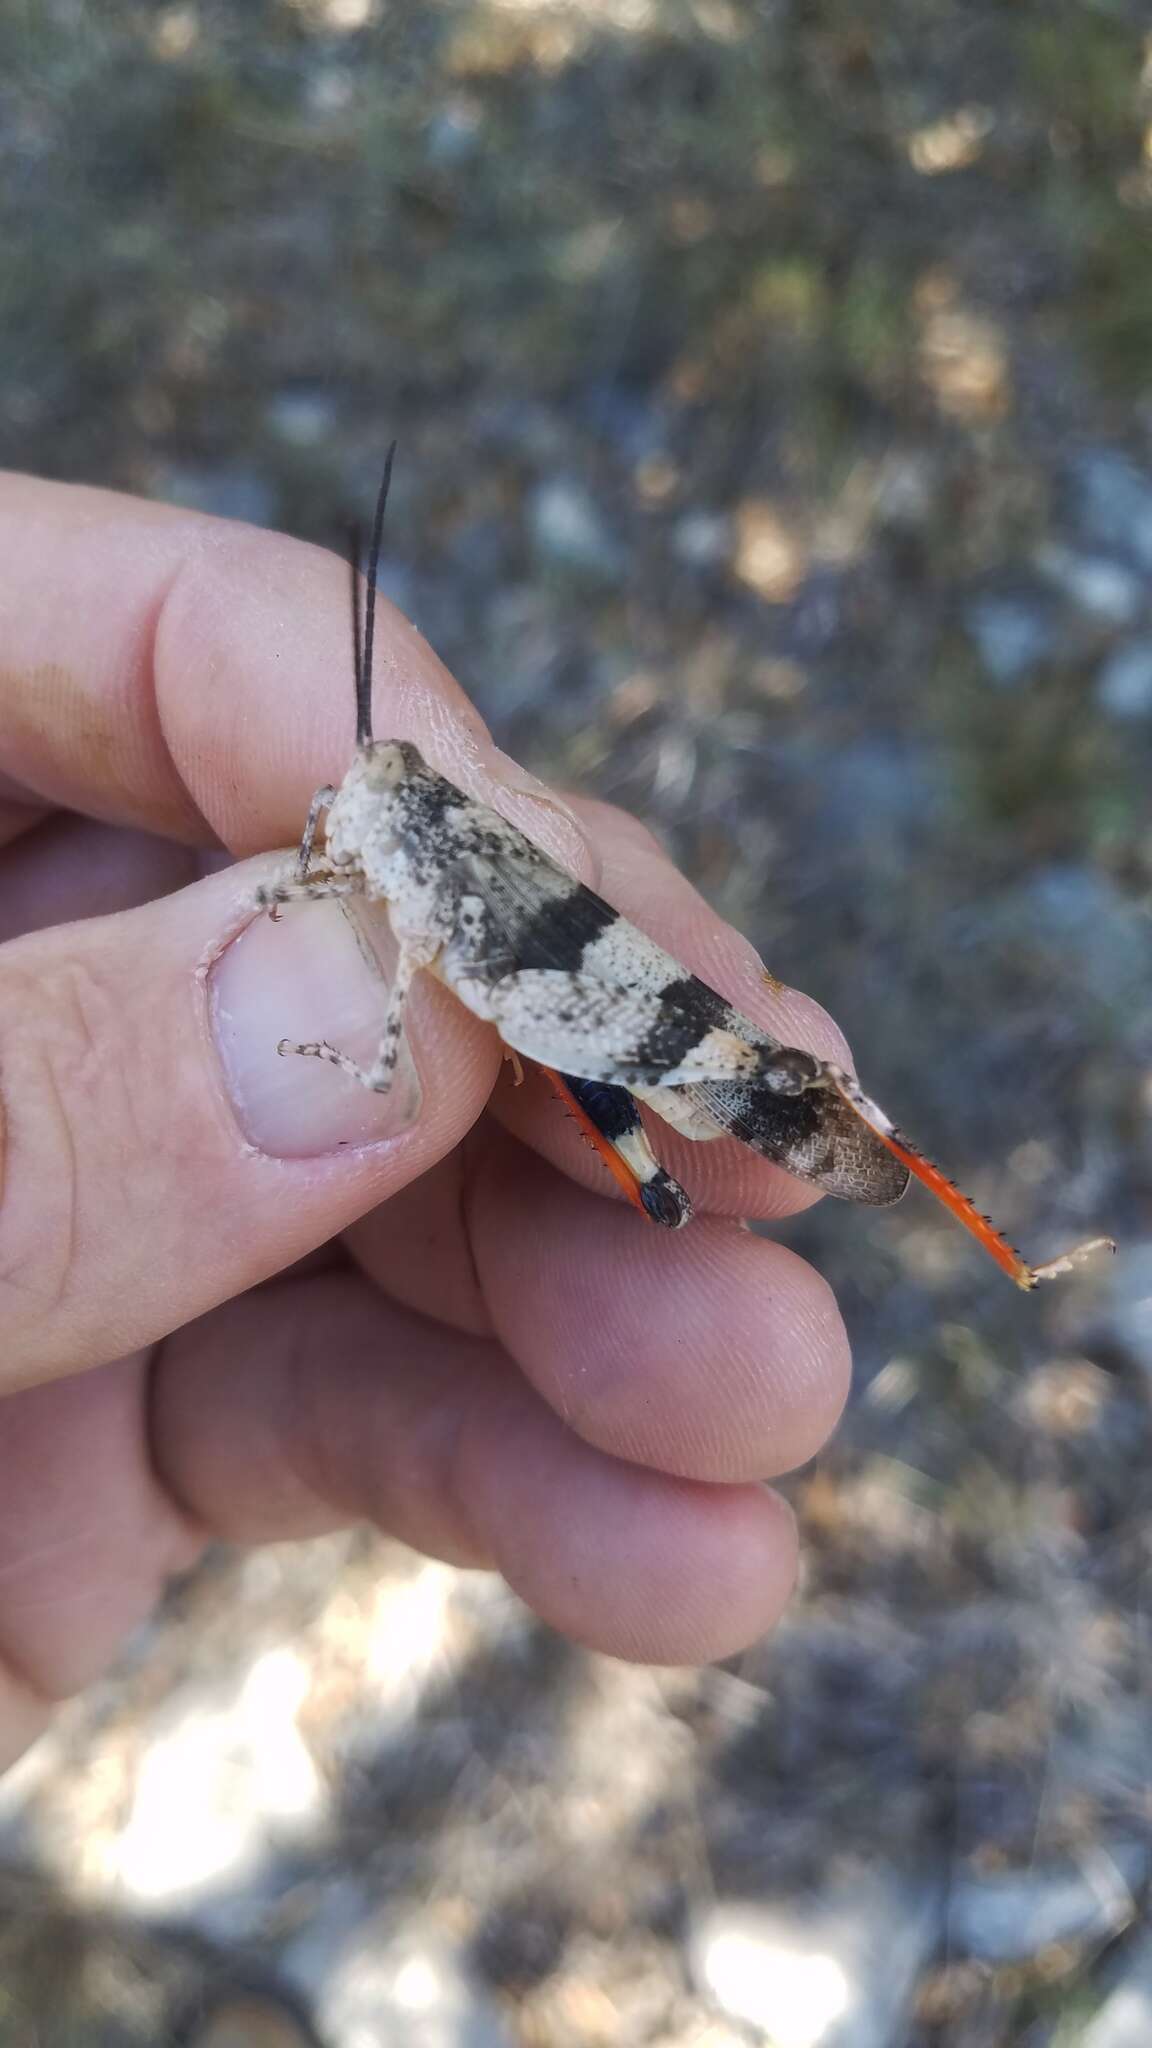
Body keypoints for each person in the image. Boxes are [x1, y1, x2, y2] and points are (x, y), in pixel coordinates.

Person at [0, 472, 852, 1775]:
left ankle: (792, 1128)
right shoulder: (378, 818)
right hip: (533, 1014)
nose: (341, 814)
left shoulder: (424, 850)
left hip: (588, 1007)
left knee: (636, 1100)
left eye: (369, 800)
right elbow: (369, 886)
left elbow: (418, 976)